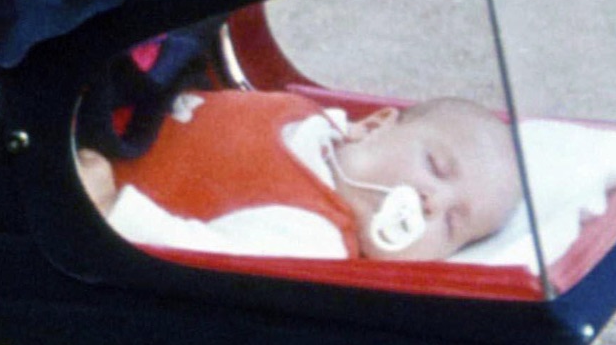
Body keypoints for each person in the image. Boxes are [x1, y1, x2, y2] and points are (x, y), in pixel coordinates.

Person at [76, 89, 521, 263]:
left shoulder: (314, 236)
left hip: (78, 180)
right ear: (374, 125)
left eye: (450, 224)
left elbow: (206, 254)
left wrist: (110, 209)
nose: (432, 202)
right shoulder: (317, 124)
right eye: (436, 168)